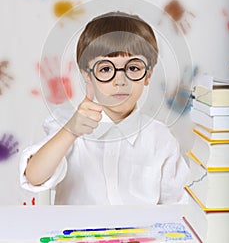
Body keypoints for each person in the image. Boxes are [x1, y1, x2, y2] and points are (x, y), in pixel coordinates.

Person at [19, 11, 189, 205]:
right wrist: (70, 131)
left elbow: (177, 205)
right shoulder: (68, 126)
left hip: (140, 234)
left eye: (133, 68)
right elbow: (34, 176)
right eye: (106, 69)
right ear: (87, 75)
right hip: (78, 233)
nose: (120, 81)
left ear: (148, 74)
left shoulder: (160, 138)